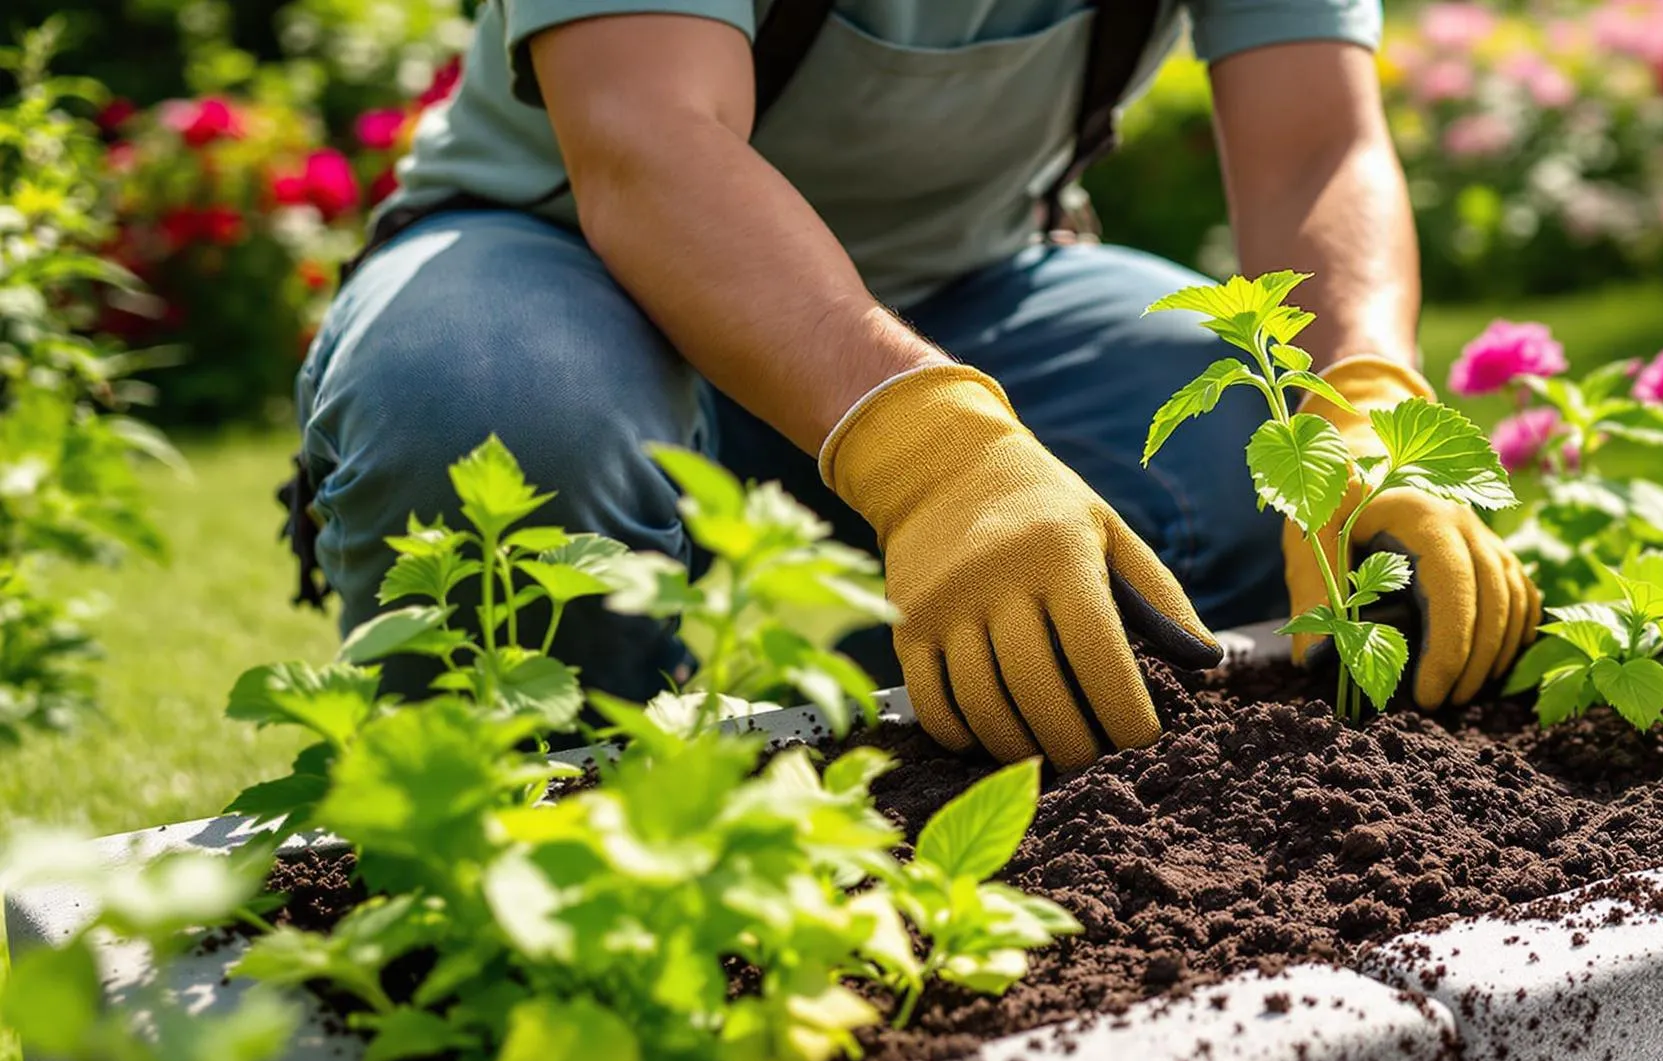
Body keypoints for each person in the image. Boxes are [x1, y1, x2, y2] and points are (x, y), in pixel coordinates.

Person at [285, 0, 1539, 769]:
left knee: (1234, 451)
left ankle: (877, 692)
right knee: (486, 416)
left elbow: (1319, 144)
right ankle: (539, 828)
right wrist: (930, 451)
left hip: (972, 285)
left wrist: (1361, 408)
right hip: (563, 265)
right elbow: (646, 140)